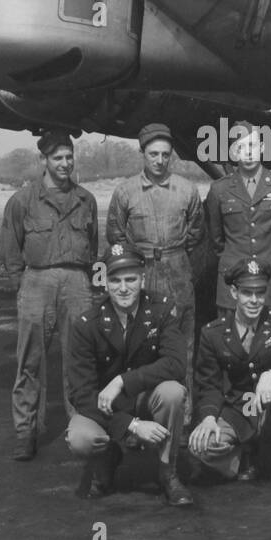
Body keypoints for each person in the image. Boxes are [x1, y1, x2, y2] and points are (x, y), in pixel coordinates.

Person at [64, 244, 193, 506]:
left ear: (142, 279)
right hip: (106, 407)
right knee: (80, 438)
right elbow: (81, 394)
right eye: (115, 280)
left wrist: (123, 380)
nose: (123, 288)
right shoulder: (87, 325)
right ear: (106, 283)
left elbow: (177, 364)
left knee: (173, 392)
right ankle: (106, 460)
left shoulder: (162, 310)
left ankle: (168, 472)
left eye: (131, 279)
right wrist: (132, 425)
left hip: (146, 397)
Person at [0, 131, 97, 462]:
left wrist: (82, 279)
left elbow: (93, 244)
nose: (65, 163)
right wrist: (21, 284)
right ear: (44, 161)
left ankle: (80, 426)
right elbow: (11, 247)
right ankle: (26, 432)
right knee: (29, 362)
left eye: (69, 157)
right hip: (36, 281)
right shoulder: (23, 200)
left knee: (80, 359)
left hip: (76, 282)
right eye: (58, 158)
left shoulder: (86, 199)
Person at [188, 259, 271, 496]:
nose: (254, 300)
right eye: (247, 293)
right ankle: (242, 455)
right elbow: (208, 383)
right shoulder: (213, 333)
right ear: (234, 292)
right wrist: (209, 417)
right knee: (200, 447)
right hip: (238, 410)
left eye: (260, 293)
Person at [107, 123, 205, 405]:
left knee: (182, 342)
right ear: (143, 154)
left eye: (165, 154)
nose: (160, 161)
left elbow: (196, 232)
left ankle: (182, 417)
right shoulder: (126, 192)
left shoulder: (187, 190)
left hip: (177, 270)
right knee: (137, 344)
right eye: (153, 154)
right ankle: (137, 415)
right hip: (141, 270)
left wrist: (175, 257)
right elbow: (115, 234)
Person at [205, 120, 271, 315]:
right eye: (241, 147)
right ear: (233, 152)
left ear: (262, 147)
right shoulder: (219, 190)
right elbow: (216, 240)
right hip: (234, 280)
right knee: (232, 340)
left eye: (252, 145)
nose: (248, 152)